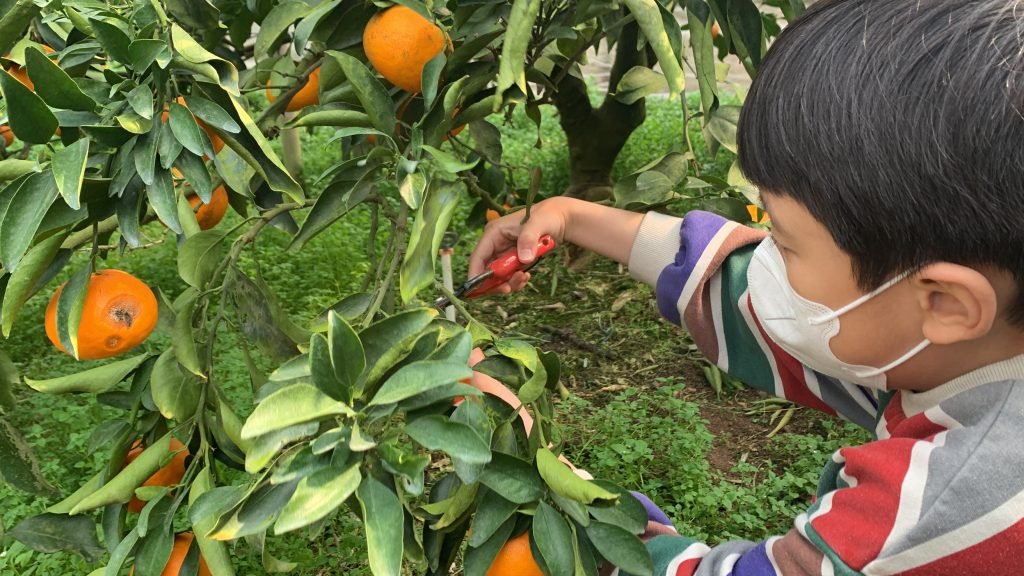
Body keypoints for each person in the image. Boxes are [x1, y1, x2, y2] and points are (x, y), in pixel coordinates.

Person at [469, 0, 1024, 573]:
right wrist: (572, 218)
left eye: (783, 244)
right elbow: (746, 306)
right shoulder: (961, 351)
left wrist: (563, 494)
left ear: (946, 303)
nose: (766, 262)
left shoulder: (940, 509)